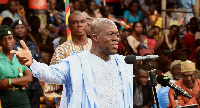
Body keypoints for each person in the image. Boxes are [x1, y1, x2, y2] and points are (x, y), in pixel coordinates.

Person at [11, 18, 133, 107]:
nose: (116, 39)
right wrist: (32, 62)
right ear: (95, 37)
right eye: (110, 34)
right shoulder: (77, 62)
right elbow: (52, 73)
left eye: (117, 35)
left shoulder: (122, 62)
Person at [50, 12, 92, 108]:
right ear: (69, 27)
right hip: (71, 100)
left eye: (82, 22)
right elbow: (54, 76)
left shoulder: (97, 46)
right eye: (75, 22)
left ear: (86, 24)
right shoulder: (62, 50)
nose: (79, 25)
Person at [11, 19, 43, 108]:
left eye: (22, 27)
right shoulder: (11, 45)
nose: (20, 30)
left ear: (26, 29)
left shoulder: (32, 45)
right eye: (17, 28)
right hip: (19, 82)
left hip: (34, 83)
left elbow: (39, 61)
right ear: (13, 30)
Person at [0, 25, 32, 108]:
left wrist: (9, 82)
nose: (8, 42)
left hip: (23, 98)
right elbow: (1, 84)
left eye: (10, 38)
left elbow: (29, 78)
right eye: (4, 39)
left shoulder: (19, 56)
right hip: (5, 100)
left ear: (14, 40)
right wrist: (21, 81)